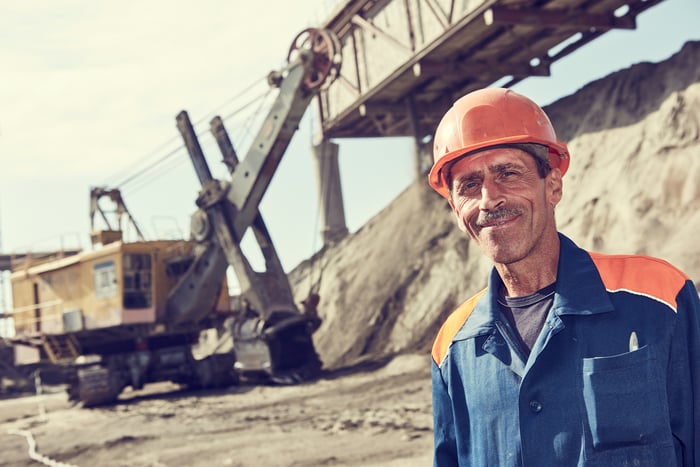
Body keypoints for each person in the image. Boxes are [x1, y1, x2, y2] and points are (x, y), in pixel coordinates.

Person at [428, 87, 700, 466]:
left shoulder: (659, 299)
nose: (489, 198)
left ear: (553, 185)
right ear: (457, 210)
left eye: (508, 173)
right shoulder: (452, 348)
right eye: (469, 185)